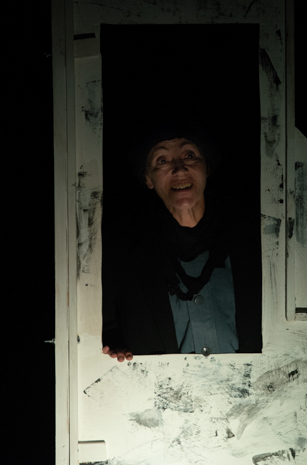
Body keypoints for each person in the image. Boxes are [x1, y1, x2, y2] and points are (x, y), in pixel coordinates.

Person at [101, 126, 263, 361]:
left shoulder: (255, 240)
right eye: (162, 160)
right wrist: (114, 347)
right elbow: (104, 329)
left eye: (189, 155)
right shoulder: (126, 256)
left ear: (206, 167)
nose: (179, 169)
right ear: (148, 178)